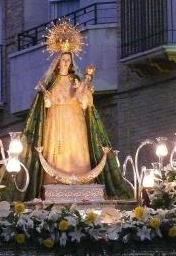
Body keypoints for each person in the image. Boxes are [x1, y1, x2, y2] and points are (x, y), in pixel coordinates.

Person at [19, 20, 130, 201]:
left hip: (75, 120)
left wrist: (86, 82)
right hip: (56, 120)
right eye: (63, 59)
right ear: (57, 62)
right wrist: (46, 97)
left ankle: (81, 178)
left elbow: (83, 101)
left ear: (71, 61)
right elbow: (45, 106)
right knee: (57, 149)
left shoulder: (75, 80)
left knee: (77, 149)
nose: (65, 62)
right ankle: (55, 181)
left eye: (68, 59)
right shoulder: (51, 82)